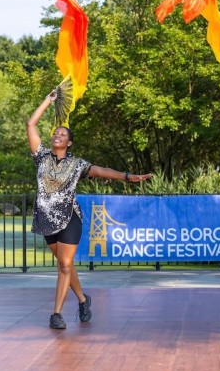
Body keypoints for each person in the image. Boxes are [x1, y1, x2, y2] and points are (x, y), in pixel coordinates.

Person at [27, 90, 153, 330]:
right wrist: (48, 100)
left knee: (64, 265)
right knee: (66, 264)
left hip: (70, 218)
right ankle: (84, 300)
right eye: (55, 133)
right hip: (46, 219)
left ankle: (57, 314)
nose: (57, 135)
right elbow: (31, 123)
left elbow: (103, 171)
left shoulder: (77, 165)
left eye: (62, 134)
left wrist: (128, 176)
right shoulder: (41, 157)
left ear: (69, 142)